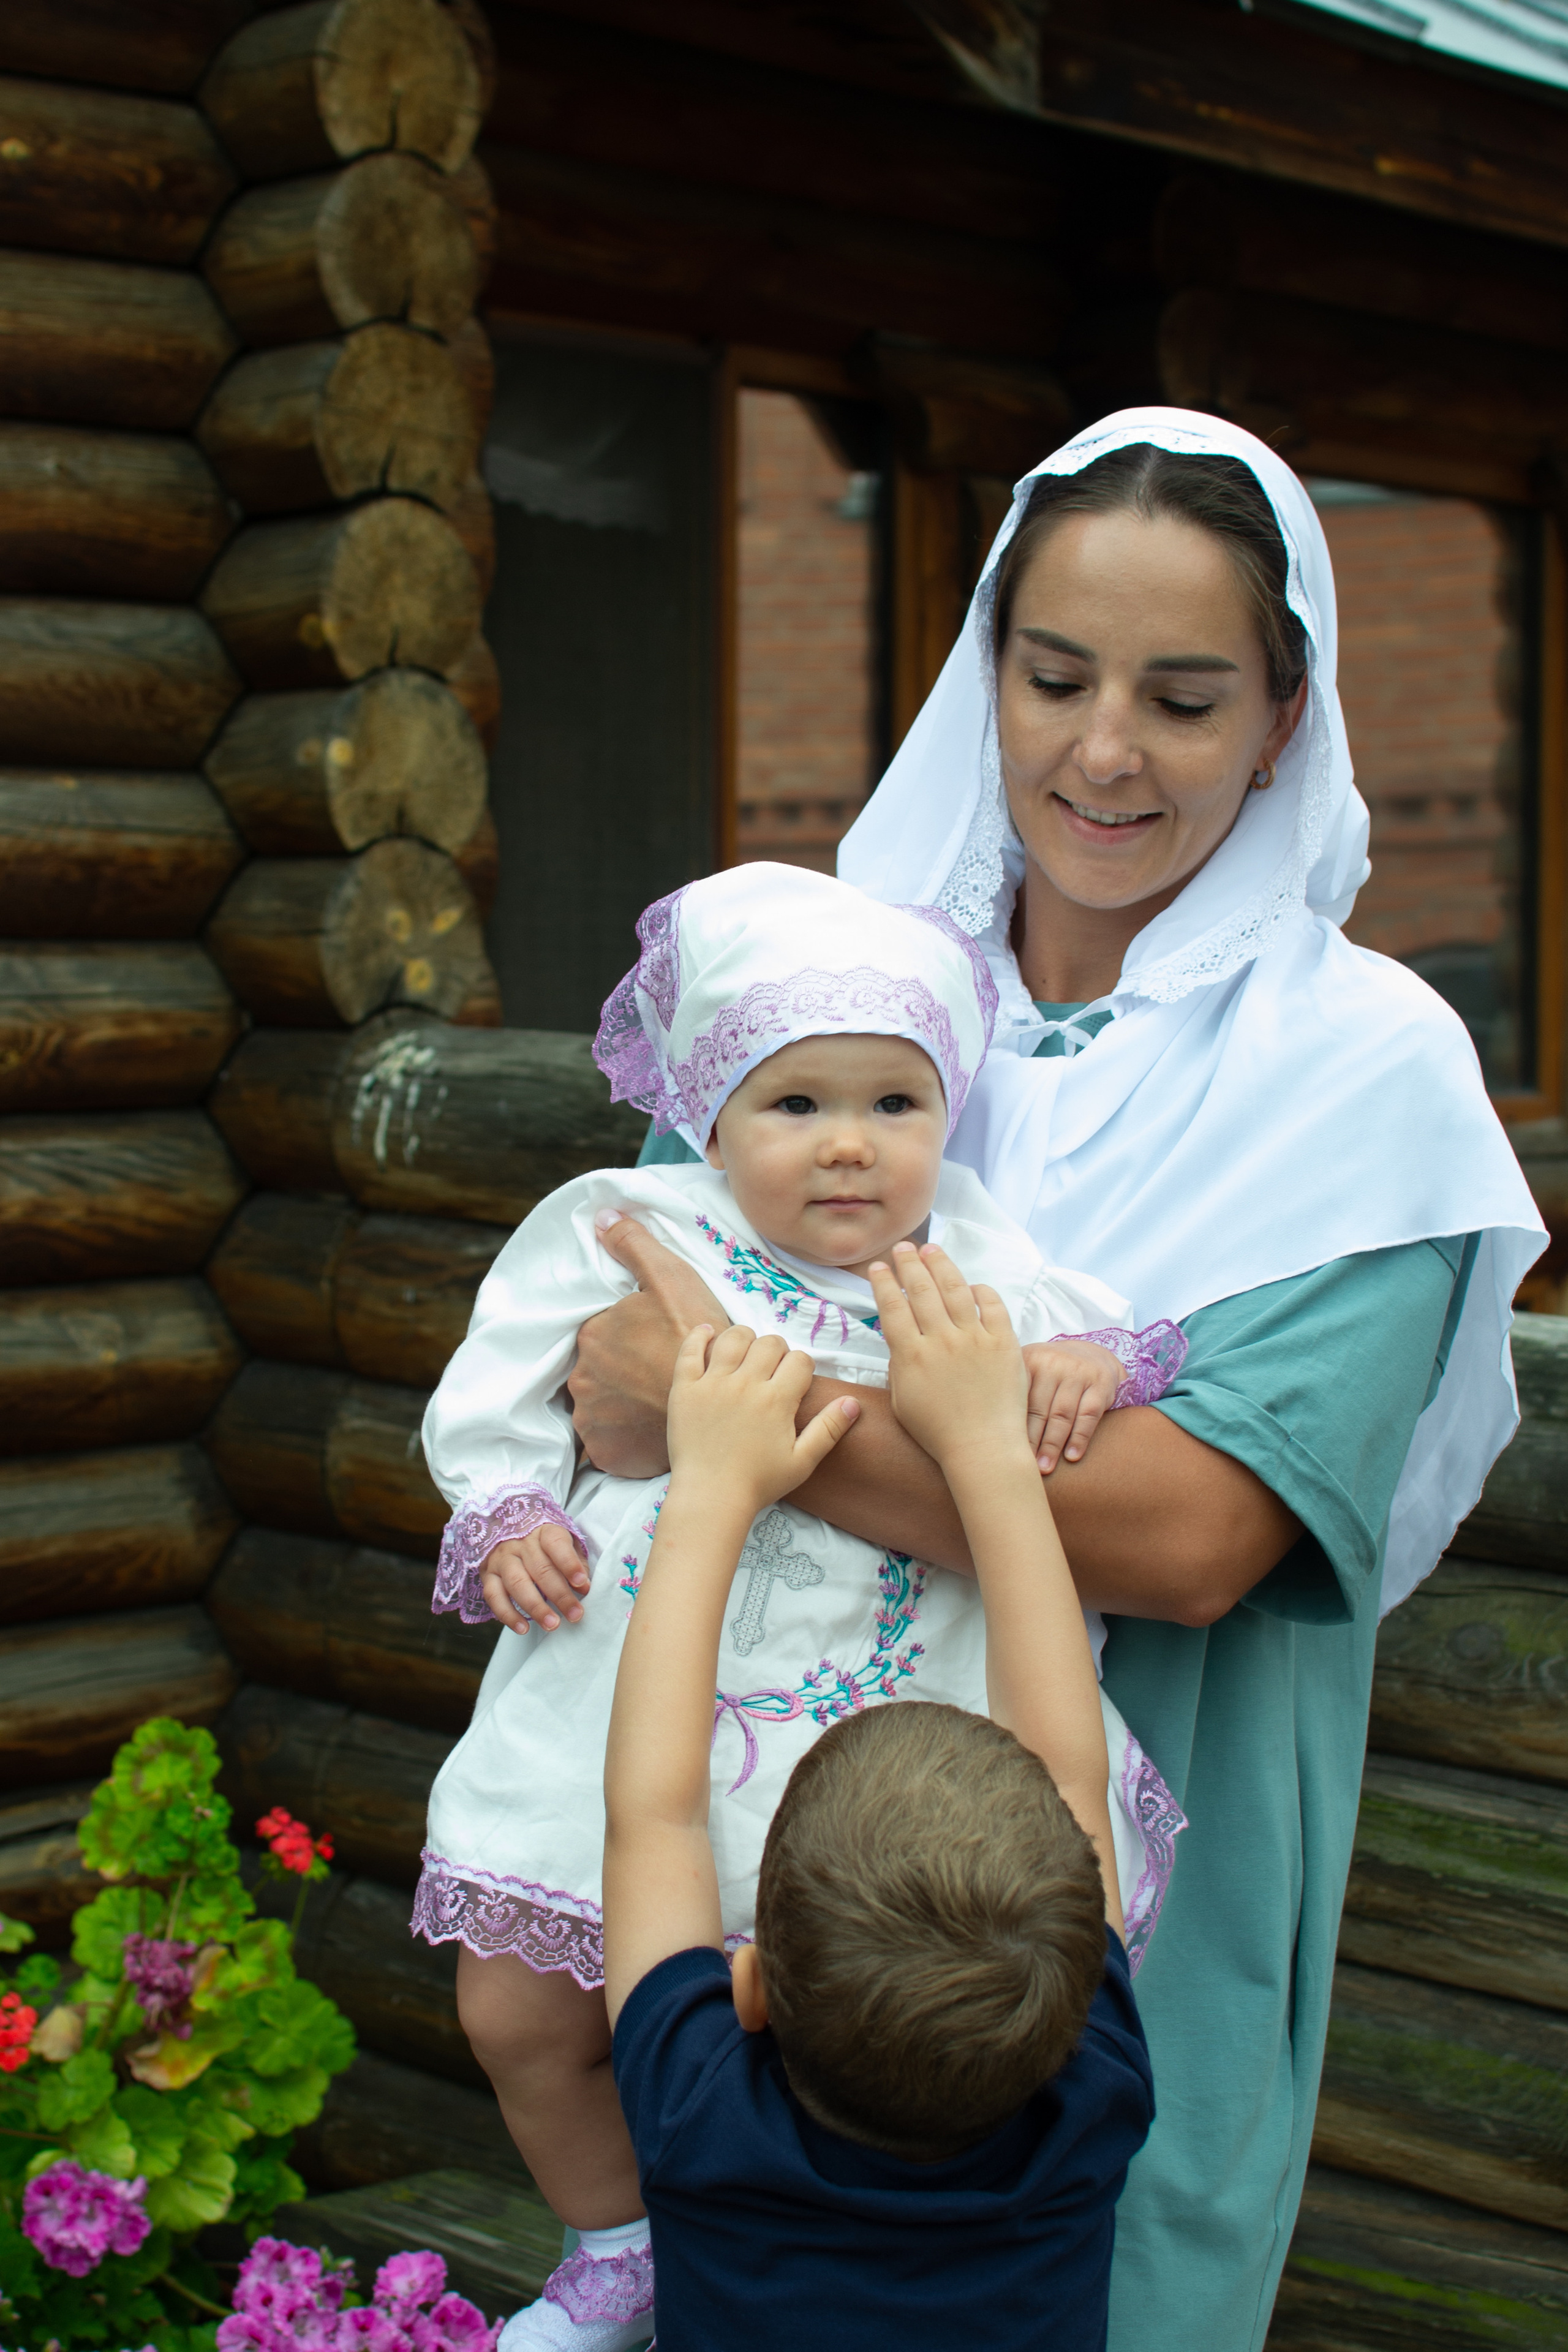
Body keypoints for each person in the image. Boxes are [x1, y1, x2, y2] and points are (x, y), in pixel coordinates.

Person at [570, 410, 1546, 2351]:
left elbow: (1190, 1537)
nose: (1105, 750)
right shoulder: (867, 996)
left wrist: (738, 1419)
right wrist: (658, 1389)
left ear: (1284, 717)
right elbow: (619, 1348)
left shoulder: (1366, 1080)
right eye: (1056, 676)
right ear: (985, 676)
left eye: (1184, 699)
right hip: (785, 1884)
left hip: (1123, 1930)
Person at [414, 862, 1186, 2352]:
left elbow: (1081, 1325)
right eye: (796, 1105)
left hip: (884, 1727)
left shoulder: (963, 1249)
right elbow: (502, 1368)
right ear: (708, 1114)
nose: (850, 1146)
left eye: (893, 1105)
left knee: (862, 1975)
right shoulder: (629, 1217)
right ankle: (617, 2237)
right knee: (516, 2012)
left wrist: (1085, 1362)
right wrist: (503, 1500)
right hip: (636, 1667)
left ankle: (683, 2216)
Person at [601, 1245, 1154, 2351]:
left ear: (749, 1987)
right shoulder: (1085, 2103)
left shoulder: (704, 2116)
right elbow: (1069, 1769)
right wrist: (989, 1449)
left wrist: (707, 1482)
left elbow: (653, 1816)